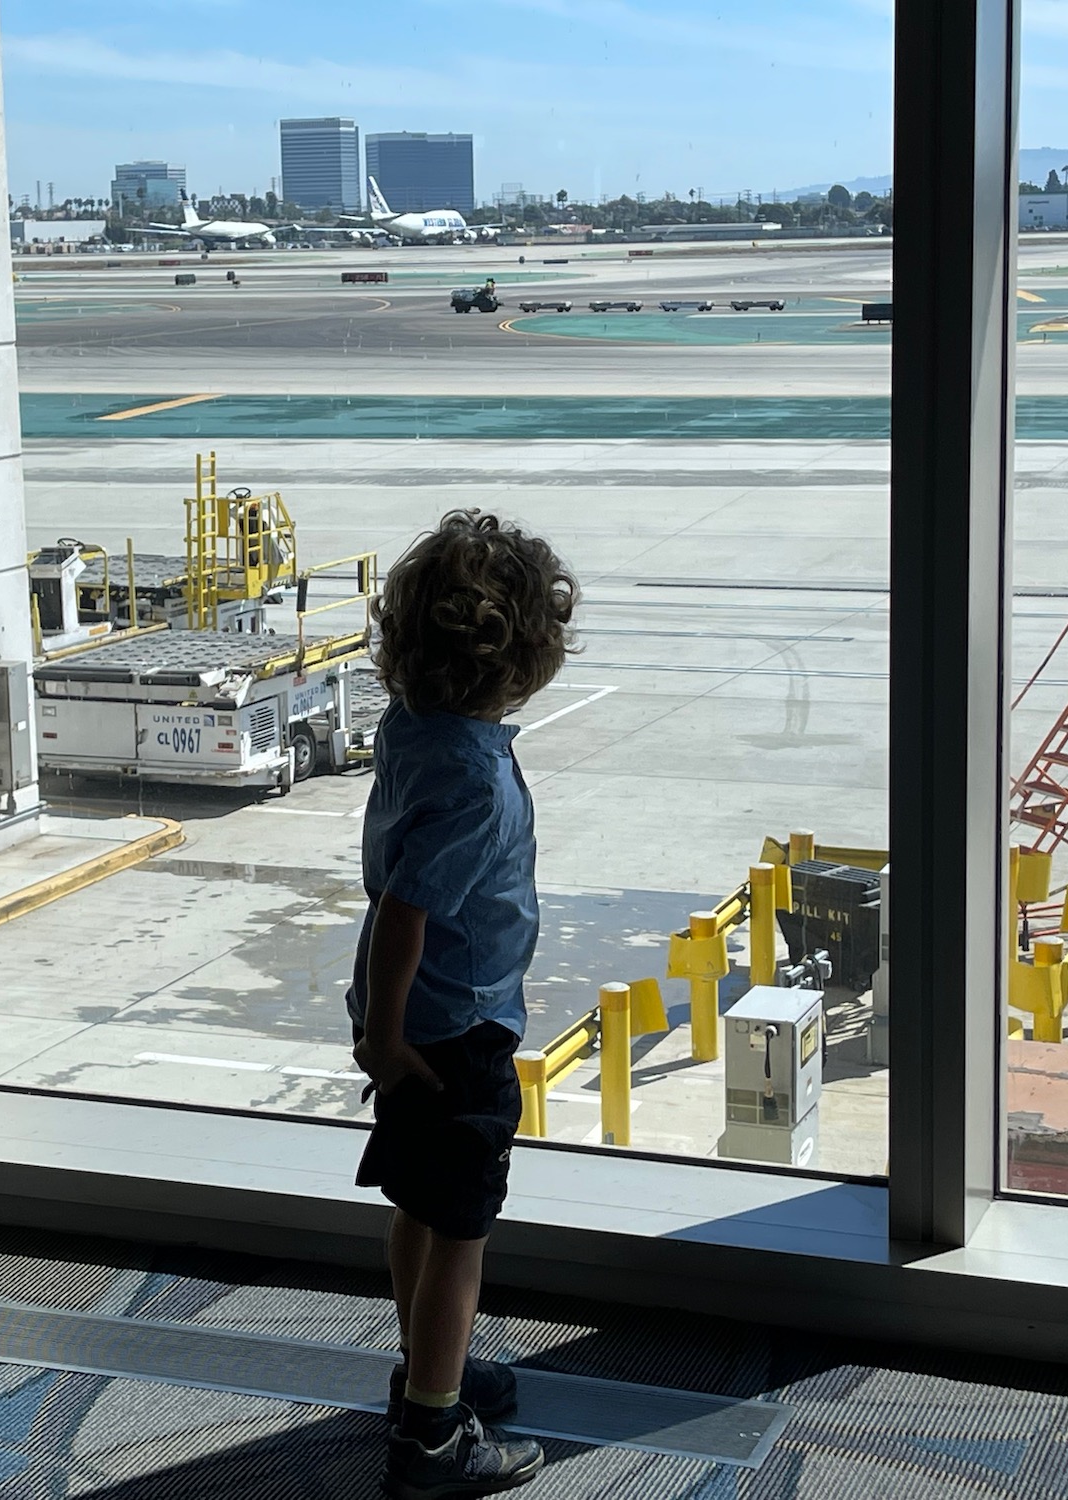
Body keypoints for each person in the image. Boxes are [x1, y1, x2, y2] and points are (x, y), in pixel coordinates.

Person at [348, 510, 577, 1499]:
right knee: (461, 1235)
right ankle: (434, 1437)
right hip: (454, 1034)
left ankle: (423, 1367)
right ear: (522, 658)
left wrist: (376, 1026)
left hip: (411, 1025)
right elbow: (408, 911)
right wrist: (393, 1039)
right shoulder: (477, 779)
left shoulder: (417, 732)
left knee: (419, 1205)